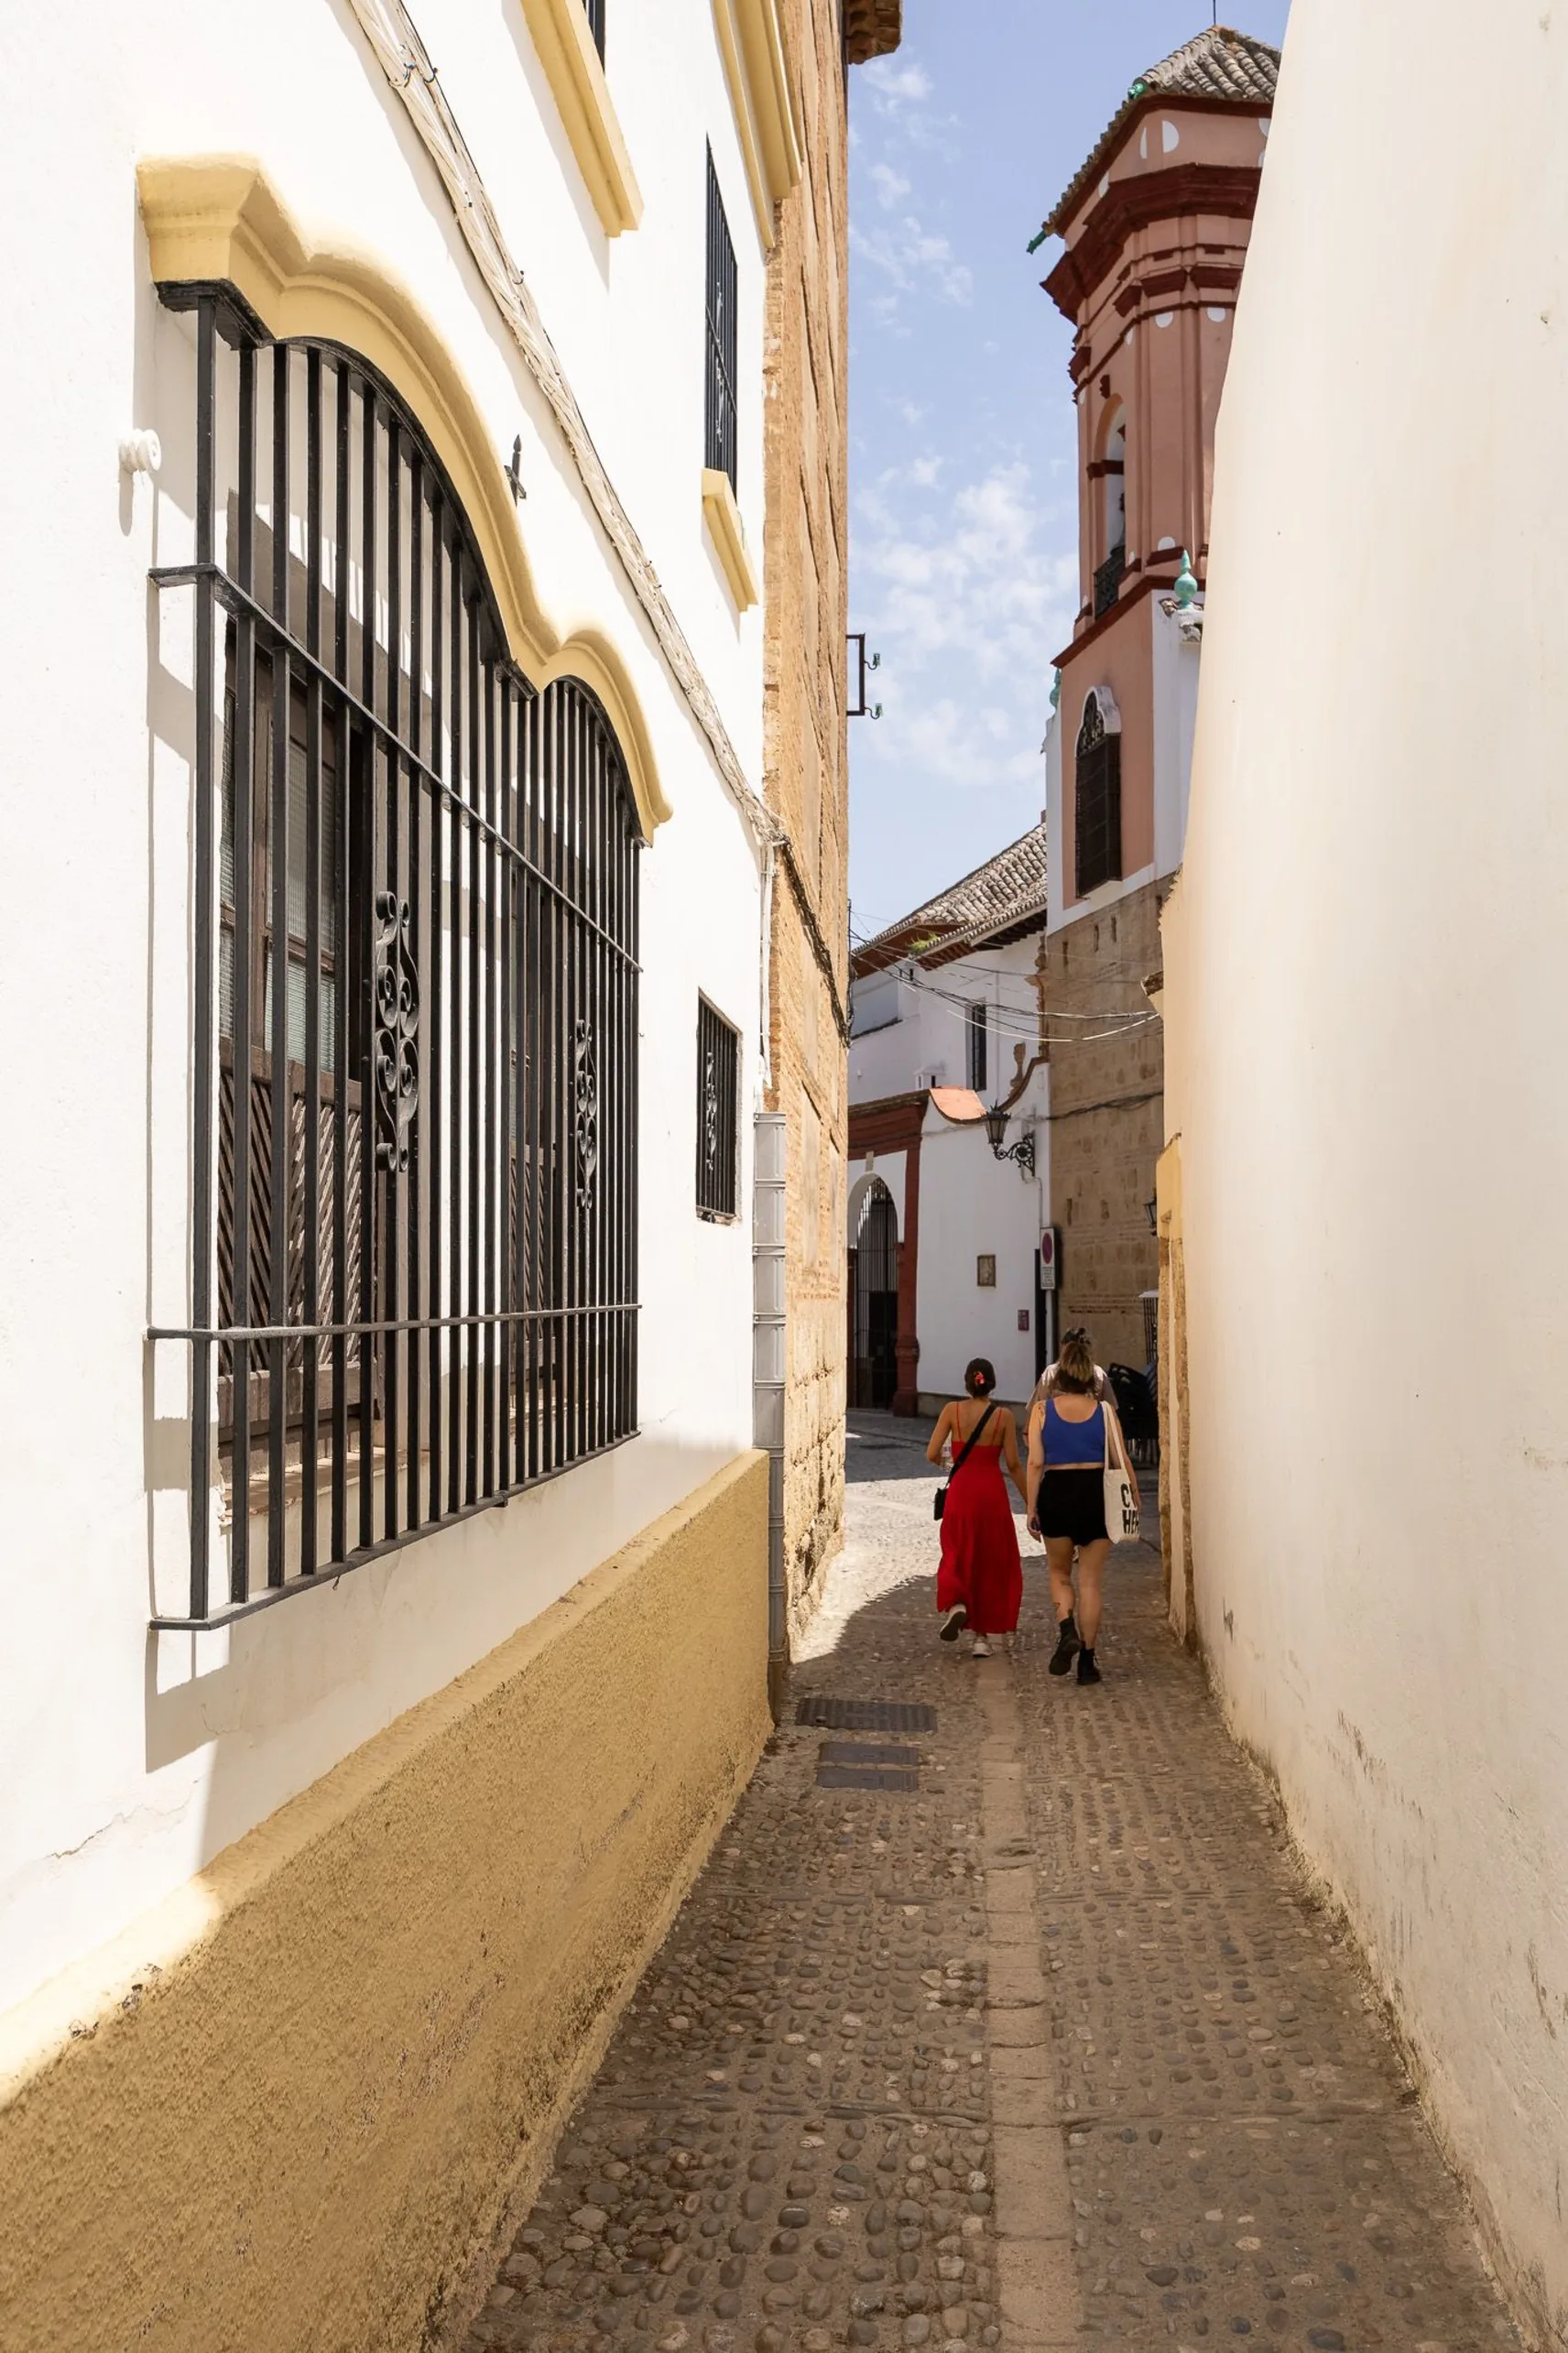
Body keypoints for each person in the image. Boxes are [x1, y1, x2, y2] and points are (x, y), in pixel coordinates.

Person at [1025, 1326, 1136, 1685]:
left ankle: (1066, 1628)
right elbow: (1121, 1458)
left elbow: (1035, 1462)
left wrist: (1031, 1508)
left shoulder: (1041, 1411)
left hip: (1057, 1492)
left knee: (1059, 1574)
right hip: (1096, 1496)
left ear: (1059, 1376)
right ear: (1089, 1375)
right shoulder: (1104, 1411)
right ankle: (1088, 1662)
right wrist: (1134, 1495)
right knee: (1090, 1582)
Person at [926, 1358, 1029, 1659]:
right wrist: (1029, 1501)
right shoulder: (1004, 1417)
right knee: (987, 1559)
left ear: (967, 1383)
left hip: (961, 1491)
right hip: (991, 1494)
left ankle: (957, 1604)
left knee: (956, 1550)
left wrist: (952, 1463)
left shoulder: (951, 1412)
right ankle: (981, 1638)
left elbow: (932, 1452)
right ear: (991, 1383)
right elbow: (1012, 1463)